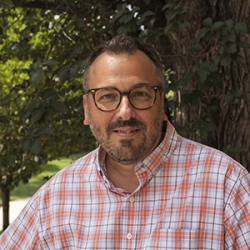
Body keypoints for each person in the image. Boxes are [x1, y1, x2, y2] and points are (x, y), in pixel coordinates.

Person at [0, 35, 250, 249]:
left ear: (161, 103)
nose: (125, 112)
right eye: (107, 96)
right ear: (87, 109)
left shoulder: (228, 187)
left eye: (140, 94)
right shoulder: (54, 199)